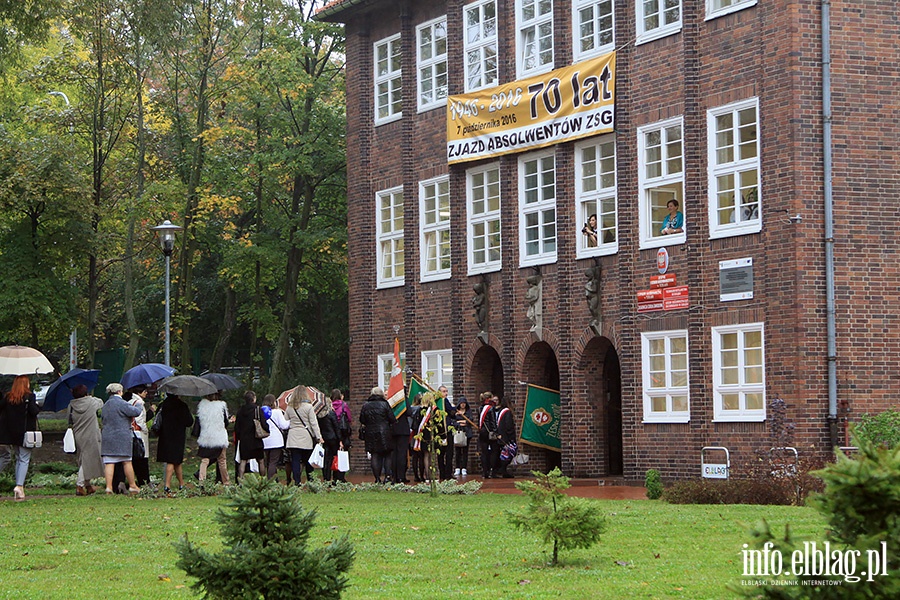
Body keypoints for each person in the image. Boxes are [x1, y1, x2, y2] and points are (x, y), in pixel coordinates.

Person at [0, 375, 41, 501]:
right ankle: (19, 486)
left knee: (17, 457)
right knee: (23, 459)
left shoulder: (8, 397)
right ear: (26, 384)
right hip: (25, 433)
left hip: (10, 434)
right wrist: (37, 405)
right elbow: (34, 412)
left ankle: (19, 488)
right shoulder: (29, 397)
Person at [100, 383, 142, 494]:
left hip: (108, 437)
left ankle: (109, 487)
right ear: (120, 392)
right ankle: (133, 486)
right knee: (127, 462)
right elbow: (135, 412)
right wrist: (139, 405)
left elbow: (103, 418)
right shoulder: (122, 403)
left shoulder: (106, 405)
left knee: (109, 462)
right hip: (122, 437)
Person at [68, 384, 104, 496]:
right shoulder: (91, 402)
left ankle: (88, 485)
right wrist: (91, 397)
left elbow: (69, 419)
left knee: (83, 458)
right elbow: (101, 402)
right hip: (91, 434)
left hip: (78, 434)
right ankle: (80, 485)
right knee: (87, 459)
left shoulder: (72, 405)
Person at [156, 392, 194, 494]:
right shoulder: (182, 405)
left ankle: (181, 483)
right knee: (173, 460)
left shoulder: (163, 405)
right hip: (178, 436)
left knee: (175, 461)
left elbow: (157, 418)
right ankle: (167, 485)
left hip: (165, 436)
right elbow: (189, 421)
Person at [285, 388, 322, 485]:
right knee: (308, 460)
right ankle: (310, 480)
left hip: (293, 436)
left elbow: (286, 420)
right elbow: (314, 423)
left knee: (295, 460)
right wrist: (319, 436)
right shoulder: (309, 407)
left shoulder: (289, 407)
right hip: (306, 436)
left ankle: (297, 481)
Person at [359, 386, 396, 484]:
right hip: (384, 432)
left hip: (370, 433)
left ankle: (377, 478)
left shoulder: (366, 405)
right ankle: (387, 476)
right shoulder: (385, 404)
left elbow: (362, 420)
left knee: (374, 454)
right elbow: (392, 418)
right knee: (387, 454)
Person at [196, 392, 230, 484]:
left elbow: (199, 422)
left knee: (205, 460)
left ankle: (201, 481)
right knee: (222, 460)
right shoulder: (222, 406)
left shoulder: (202, 406)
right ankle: (226, 482)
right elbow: (226, 422)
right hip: (219, 437)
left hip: (206, 436)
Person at [235, 390, 268, 481]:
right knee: (260, 461)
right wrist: (267, 430)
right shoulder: (258, 409)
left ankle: (240, 481)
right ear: (253, 399)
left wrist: (239, 437)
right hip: (256, 439)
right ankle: (263, 480)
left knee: (243, 461)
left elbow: (237, 427)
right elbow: (263, 424)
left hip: (244, 440)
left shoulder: (240, 411)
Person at [126, 385, 152, 487]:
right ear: (140, 392)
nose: (146, 393)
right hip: (139, 433)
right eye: (145, 391)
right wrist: (145, 429)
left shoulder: (130, 401)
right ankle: (144, 481)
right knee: (142, 457)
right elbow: (139, 419)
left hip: (131, 432)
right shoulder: (139, 403)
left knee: (135, 457)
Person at [262, 394, 289, 481]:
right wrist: (290, 421)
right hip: (276, 441)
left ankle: (275, 479)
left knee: (269, 461)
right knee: (273, 462)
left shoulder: (262, 412)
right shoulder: (277, 412)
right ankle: (270, 480)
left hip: (265, 440)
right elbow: (283, 425)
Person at [316, 400, 341, 483]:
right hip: (333, 439)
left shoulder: (318, 415)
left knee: (325, 459)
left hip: (324, 438)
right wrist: (340, 439)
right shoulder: (331, 413)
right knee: (334, 458)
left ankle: (326, 477)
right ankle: (335, 478)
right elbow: (336, 427)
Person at [494, 397, 518, 479]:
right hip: (506, 437)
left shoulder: (501, 411)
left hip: (501, 435)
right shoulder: (507, 412)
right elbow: (509, 425)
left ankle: (502, 470)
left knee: (504, 454)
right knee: (508, 454)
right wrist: (511, 437)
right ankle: (503, 470)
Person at [331, 389, 352, 482]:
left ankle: (334, 476)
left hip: (333, 432)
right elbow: (349, 418)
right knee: (343, 453)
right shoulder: (344, 405)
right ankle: (341, 476)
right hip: (343, 432)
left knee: (334, 454)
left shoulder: (330, 406)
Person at [477, 391, 499, 478]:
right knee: (494, 451)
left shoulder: (480, 408)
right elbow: (493, 421)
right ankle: (492, 472)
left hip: (482, 431)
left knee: (484, 452)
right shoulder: (491, 407)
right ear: (489, 398)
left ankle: (484, 472)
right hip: (490, 432)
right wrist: (495, 432)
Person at [452, 398, 475, 477]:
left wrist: (461, 421)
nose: (463, 404)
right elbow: (453, 422)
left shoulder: (468, 412)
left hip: (466, 434)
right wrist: (460, 423)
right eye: (461, 403)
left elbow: (470, 421)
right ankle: (457, 468)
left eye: (464, 403)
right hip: (458, 433)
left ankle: (464, 468)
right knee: (457, 451)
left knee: (465, 451)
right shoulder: (456, 412)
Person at [436, 385, 454, 481]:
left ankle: (443, 473)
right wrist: (455, 410)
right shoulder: (443, 401)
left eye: (446, 391)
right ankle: (447, 474)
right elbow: (451, 411)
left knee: (441, 454)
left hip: (439, 431)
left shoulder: (436, 402)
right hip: (446, 430)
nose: (446, 393)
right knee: (448, 453)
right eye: (444, 391)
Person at [408, 393, 426, 482]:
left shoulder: (410, 409)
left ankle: (416, 475)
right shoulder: (423, 410)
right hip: (421, 434)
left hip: (413, 434)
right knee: (421, 456)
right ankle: (422, 476)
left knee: (415, 457)